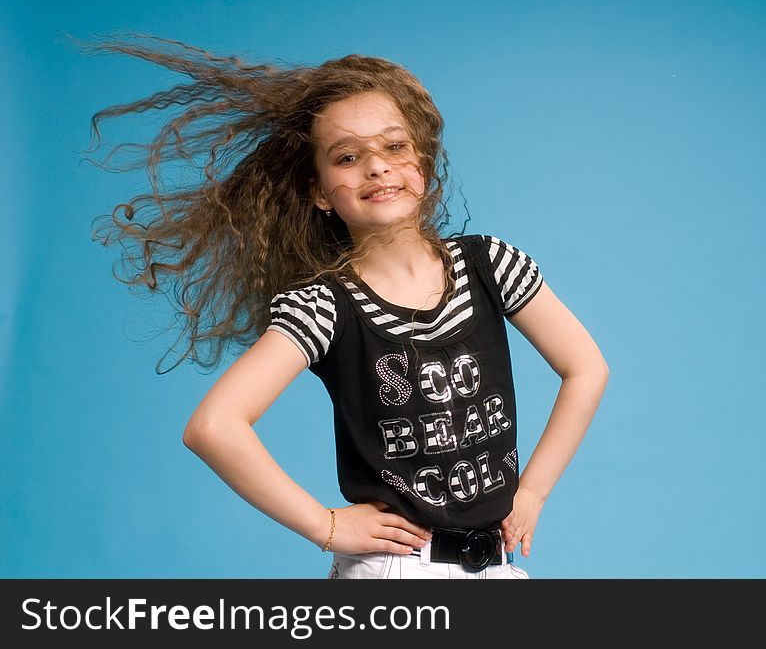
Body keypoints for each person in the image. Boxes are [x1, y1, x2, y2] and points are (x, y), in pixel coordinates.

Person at [81, 34, 609, 579]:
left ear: (422, 167)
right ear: (319, 192)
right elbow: (213, 426)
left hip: (494, 566)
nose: (377, 168)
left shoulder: (490, 265)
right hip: (397, 570)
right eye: (349, 157)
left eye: (394, 147)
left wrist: (534, 491)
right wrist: (325, 526)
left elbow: (586, 367)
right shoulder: (325, 306)